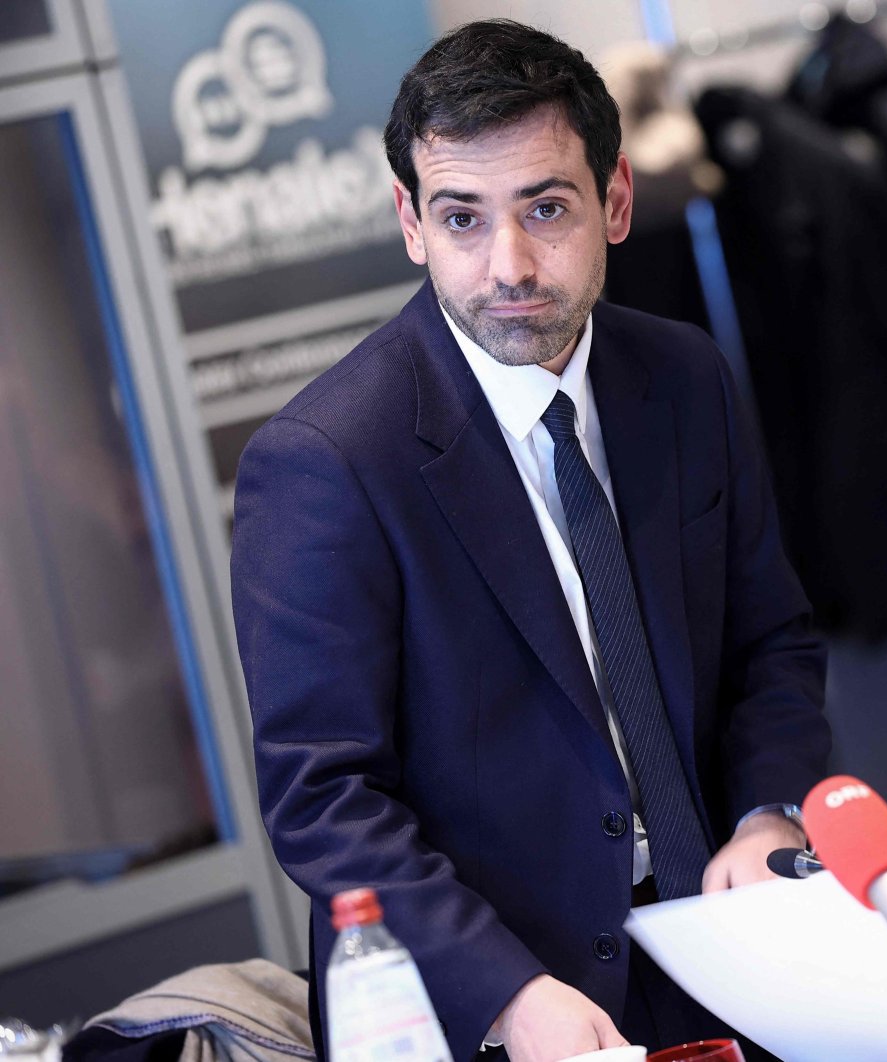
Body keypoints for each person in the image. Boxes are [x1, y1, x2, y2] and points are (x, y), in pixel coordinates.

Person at [230, 20, 830, 1062]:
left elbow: (771, 639)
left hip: (723, 951)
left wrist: (769, 814)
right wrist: (505, 994)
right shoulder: (327, 460)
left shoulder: (684, 377)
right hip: (495, 1001)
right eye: (462, 218)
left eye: (545, 208)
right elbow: (324, 798)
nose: (507, 265)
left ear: (616, 201)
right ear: (411, 223)